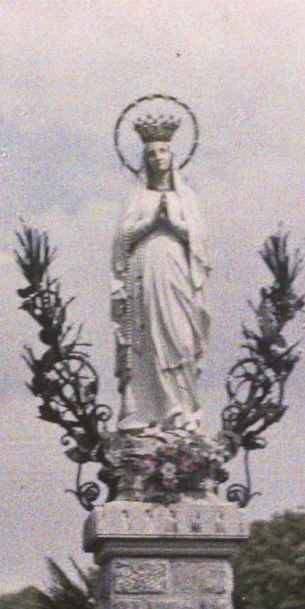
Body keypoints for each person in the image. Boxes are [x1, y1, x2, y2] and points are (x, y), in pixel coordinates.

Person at [110, 109, 211, 429]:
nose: (157, 158)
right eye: (151, 153)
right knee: (151, 338)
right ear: (145, 158)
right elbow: (122, 240)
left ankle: (184, 408)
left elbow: (200, 241)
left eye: (163, 151)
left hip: (177, 271)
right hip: (146, 271)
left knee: (180, 337)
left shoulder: (186, 197)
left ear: (173, 155)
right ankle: (157, 409)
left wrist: (174, 225)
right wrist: (152, 223)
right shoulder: (138, 197)